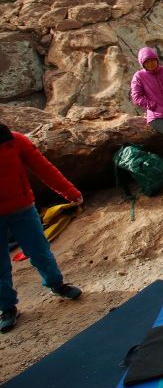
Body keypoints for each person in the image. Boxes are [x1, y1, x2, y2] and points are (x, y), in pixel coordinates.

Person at [0, 123, 83, 334]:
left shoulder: (15, 140)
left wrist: (70, 192)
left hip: (22, 209)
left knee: (40, 252)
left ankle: (57, 284)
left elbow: (43, 168)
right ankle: (7, 308)